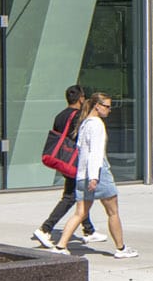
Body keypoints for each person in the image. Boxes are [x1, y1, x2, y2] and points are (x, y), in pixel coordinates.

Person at [49, 92, 135, 258]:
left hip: (82, 174)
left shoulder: (84, 123)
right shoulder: (96, 124)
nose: (109, 110)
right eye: (107, 106)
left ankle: (61, 246)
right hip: (98, 172)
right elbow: (95, 153)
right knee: (113, 212)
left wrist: (84, 175)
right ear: (98, 106)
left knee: (80, 212)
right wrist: (94, 177)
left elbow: (81, 151)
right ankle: (121, 248)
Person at [34, 85, 100, 246]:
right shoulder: (78, 116)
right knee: (71, 196)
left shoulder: (60, 116)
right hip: (74, 160)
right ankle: (45, 228)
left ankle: (89, 229)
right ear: (80, 99)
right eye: (83, 97)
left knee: (80, 194)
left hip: (63, 160)